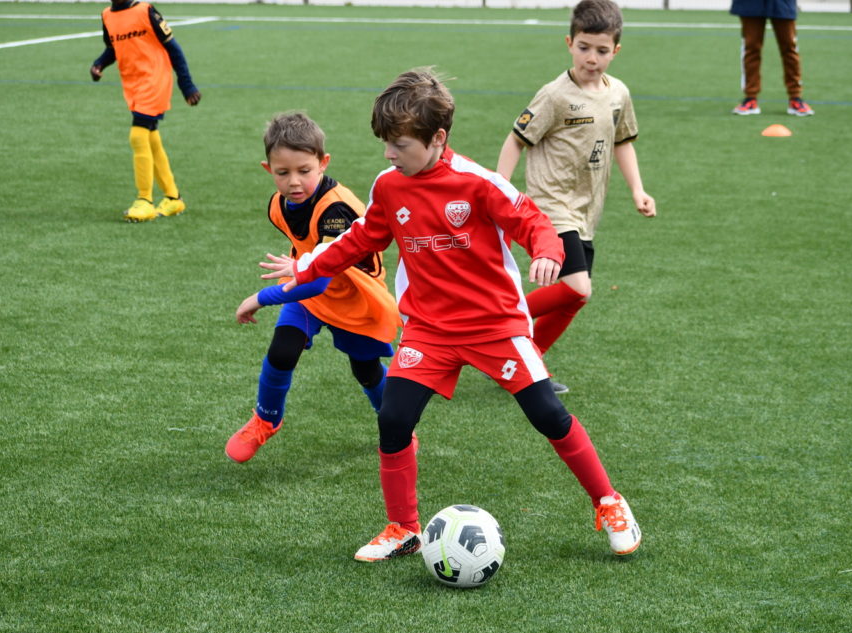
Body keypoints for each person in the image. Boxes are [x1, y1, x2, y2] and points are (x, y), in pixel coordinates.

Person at [265, 70, 642, 561]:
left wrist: (547, 251)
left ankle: (609, 502)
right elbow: (359, 240)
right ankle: (403, 528)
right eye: (386, 143)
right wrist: (305, 266)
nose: (388, 154)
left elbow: (531, 220)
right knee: (394, 419)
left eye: (399, 144)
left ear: (437, 138)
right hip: (429, 328)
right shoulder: (389, 187)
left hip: (495, 326)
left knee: (549, 414)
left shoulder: (478, 183)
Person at [497, 0, 656, 394]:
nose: (592, 58)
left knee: (574, 298)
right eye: (584, 47)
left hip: (586, 211)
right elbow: (515, 141)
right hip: (550, 207)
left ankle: (521, 362)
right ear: (569, 43)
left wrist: (638, 190)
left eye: (602, 50)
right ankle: (498, 326)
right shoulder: (555, 95)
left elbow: (624, 142)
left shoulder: (618, 93)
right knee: (577, 287)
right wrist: (500, 192)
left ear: (616, 50)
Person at [225, 112, 400, 464]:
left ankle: (396, 425)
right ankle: (266, 420)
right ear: (267, 169)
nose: (294, 182)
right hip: (310, 293)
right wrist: (297, 267)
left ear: (323, 163)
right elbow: (310, 272)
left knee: (365, 370)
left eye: (304, 170)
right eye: (283, 172)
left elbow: (318, 276)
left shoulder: (337, 208)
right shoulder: (279, 206)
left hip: (355, 299)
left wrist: (259, 298)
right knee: (282, 351)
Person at [90, 0, 202, 223]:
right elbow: (113, 47)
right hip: (132, 83)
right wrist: (99, 64)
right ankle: (173, 198)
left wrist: (186, 84)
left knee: (138, 134)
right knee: (151, 137)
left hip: (154, 80)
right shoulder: (107, 16)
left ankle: (145, 201)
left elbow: (173, 48)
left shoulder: (146, 11)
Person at [730, 0, 814, 116]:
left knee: (789, 47)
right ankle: (750, 99)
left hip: (782, 3)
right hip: (751, 3)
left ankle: (795, 98)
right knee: (751, 48)